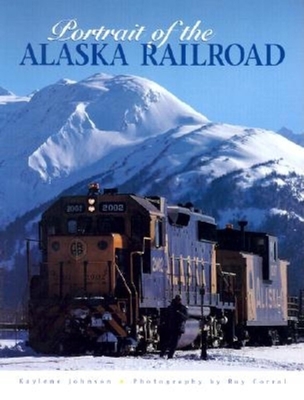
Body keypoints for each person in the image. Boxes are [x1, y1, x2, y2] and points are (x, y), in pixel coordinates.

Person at [160, 294, 188, 359]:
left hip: (178, 328)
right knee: (172, 342)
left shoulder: (182, 308)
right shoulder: (171, 308)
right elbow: (166, 316)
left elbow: (186, 317)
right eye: (178, 299)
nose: (179, 301)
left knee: (172, 342)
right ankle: (168, 355)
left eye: (179, 299)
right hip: (172, 327)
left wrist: (180, 314)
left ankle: (165, 354)